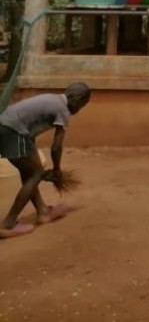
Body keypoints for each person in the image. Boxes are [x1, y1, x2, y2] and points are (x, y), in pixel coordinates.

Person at [0, 82, 91, 239]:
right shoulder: (63, 110)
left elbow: (30, 128)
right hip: (12, 131)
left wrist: (36, 161)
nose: (79, 110)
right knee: (35, 174)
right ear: (78, 100)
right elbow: (56, 147)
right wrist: (56, 169)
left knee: (30, 172)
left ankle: (42, 211)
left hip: (6, 126)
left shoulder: (52, 99)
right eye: (82, 105)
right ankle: (7, 224)